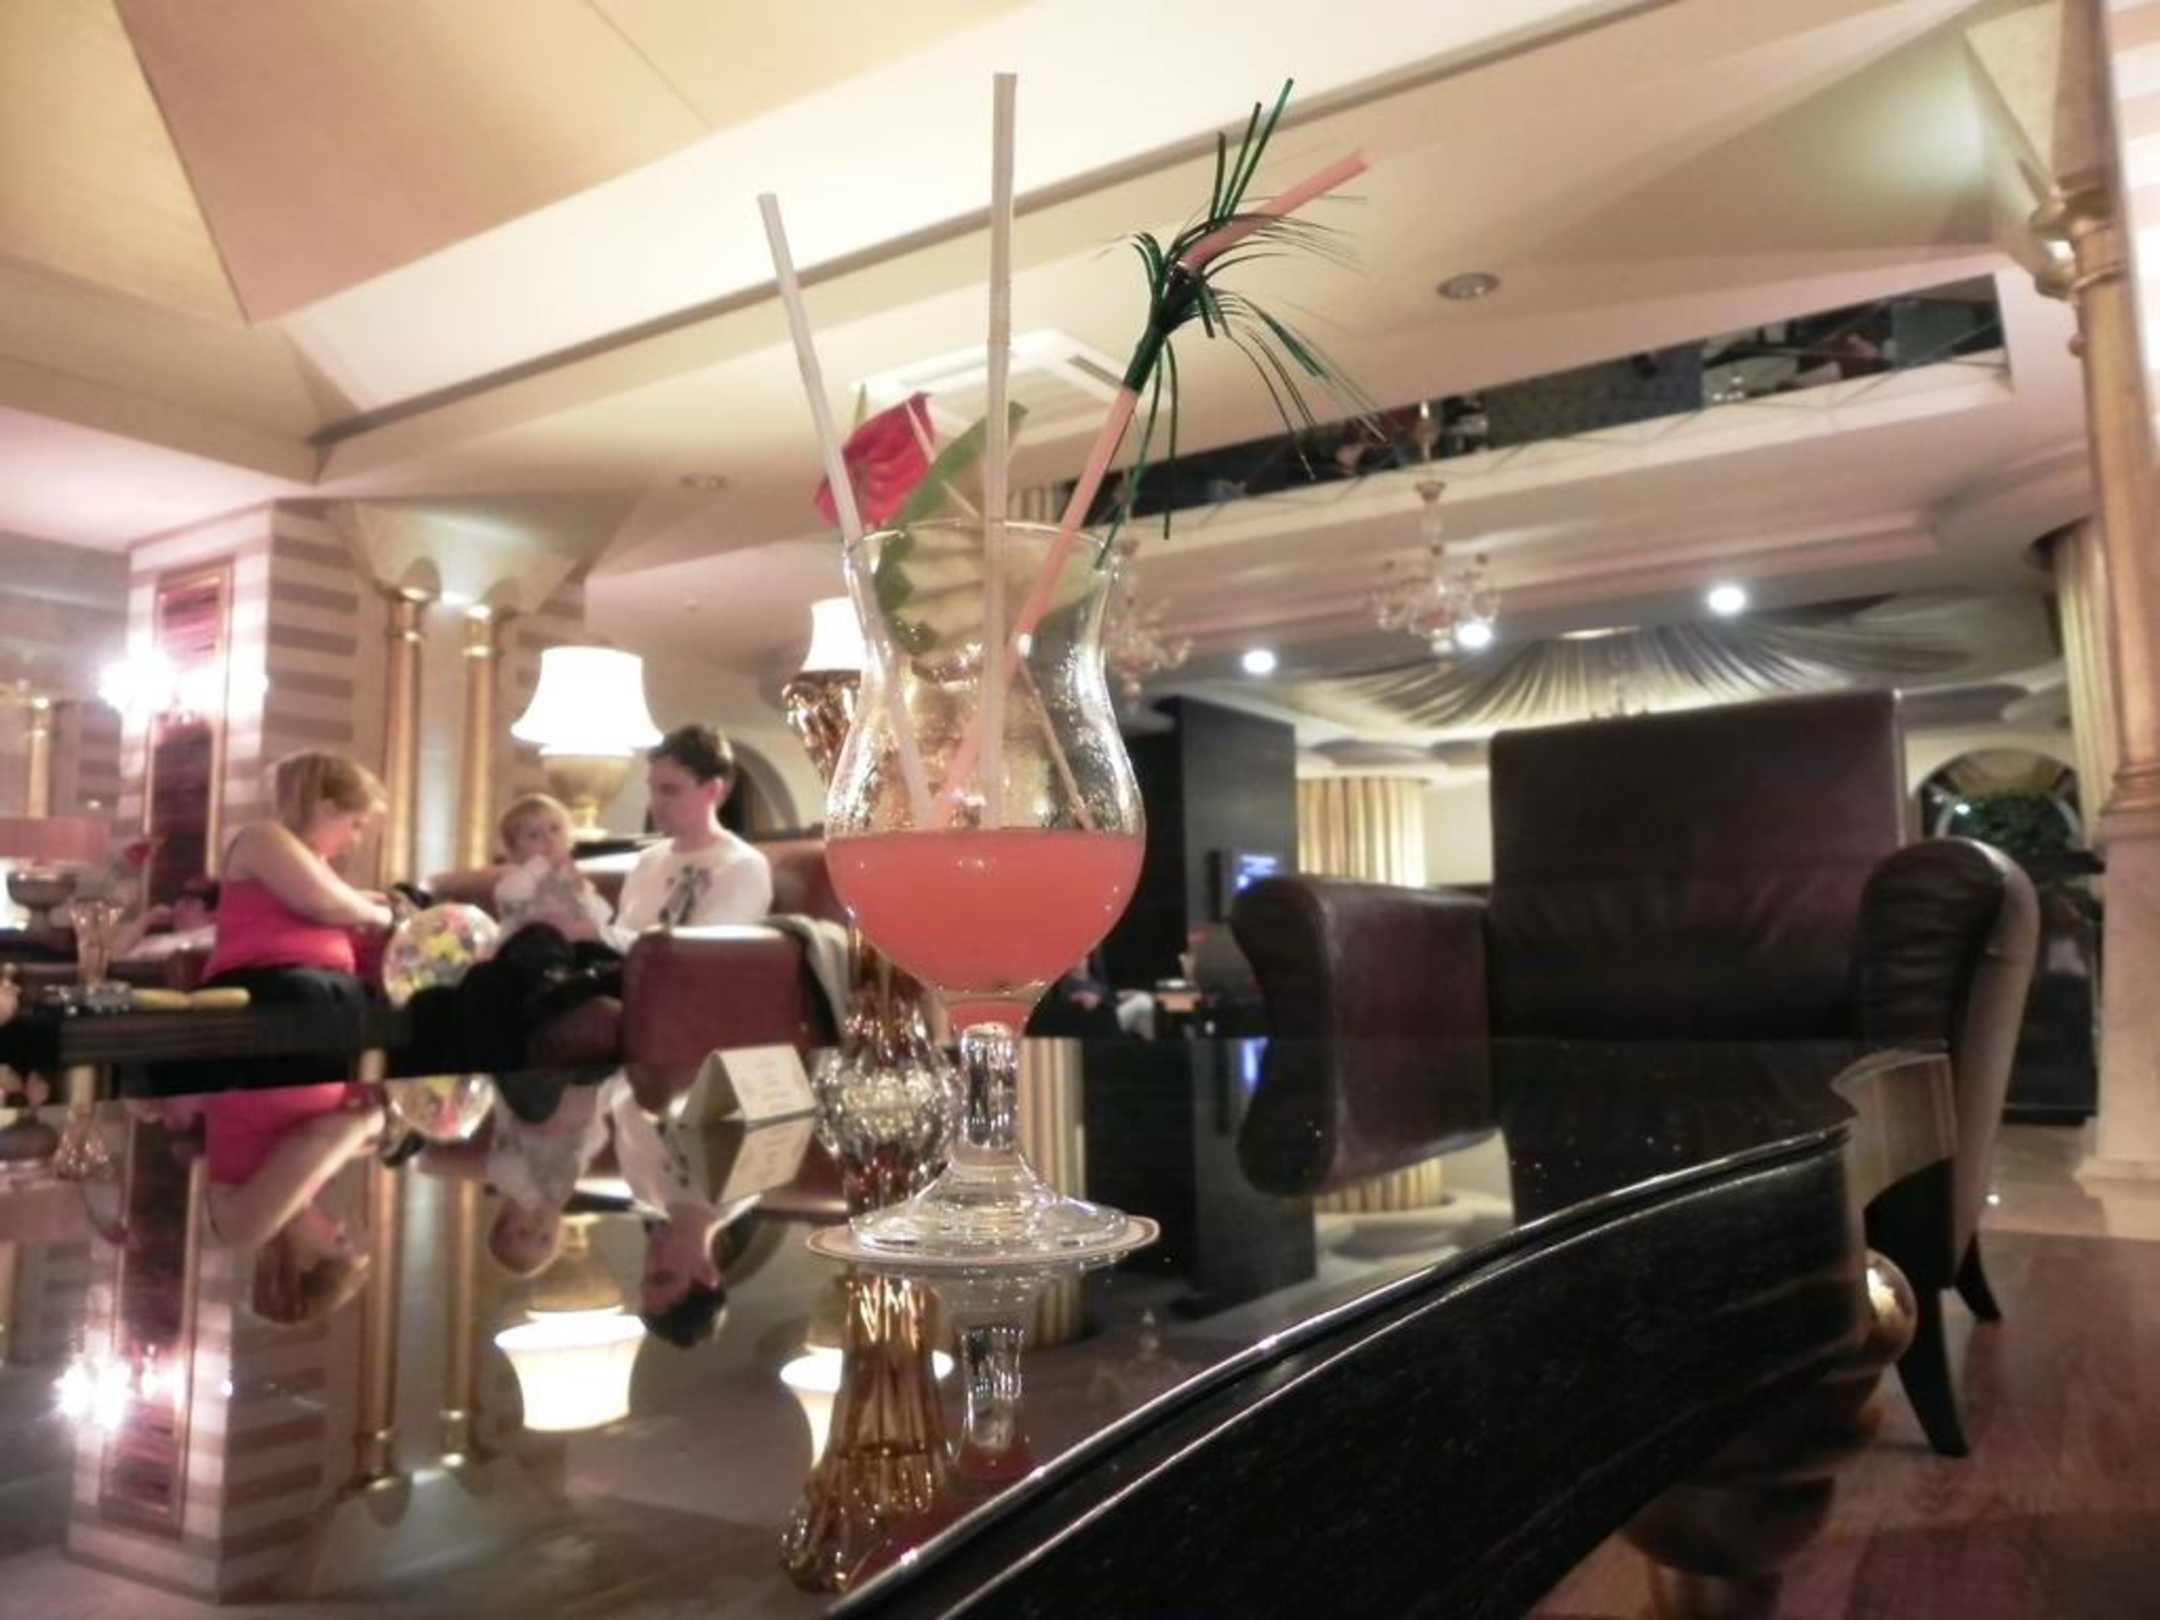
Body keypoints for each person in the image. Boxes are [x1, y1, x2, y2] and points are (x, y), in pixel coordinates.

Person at [431, 1070, 744, 1348]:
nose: (651, 1260)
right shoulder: (740, 1182)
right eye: (663, 1275)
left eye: (646, 1275)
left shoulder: (643, 1191)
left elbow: (611, 1101)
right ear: (707, 1274)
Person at [184, 1084, 384, 1327]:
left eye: (338, 1240)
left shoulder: (244, 1228)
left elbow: (317, 1138)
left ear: (304, 1261)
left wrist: (370, 1123)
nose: (339, 1224)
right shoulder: (299, 1196)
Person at [616, 726, 772, 933]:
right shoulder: (646, 860)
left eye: (670, 790)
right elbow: (621, 933)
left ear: (712, 790)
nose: (655, 803)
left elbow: (704, 948)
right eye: (653, 789)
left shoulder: (743, 866)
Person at [493, 794, 619, 947]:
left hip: (571, 948)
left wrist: (582, 890)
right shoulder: (518, 878)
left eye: (555, 829)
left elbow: (603, 917)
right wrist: (540, 866)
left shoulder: (571, 877)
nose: (549, 839)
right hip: (526, 948)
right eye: (534, 835)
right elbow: (508, 896)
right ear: (515, 851)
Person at [114, 876, 219, 962]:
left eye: (189, 902)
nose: (178, 907)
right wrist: (146, 920)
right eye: (179, 898)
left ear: (214, 913)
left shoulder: (210, 939)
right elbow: (114, 958)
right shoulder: (157, 939)